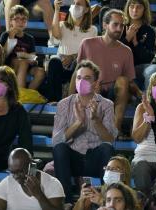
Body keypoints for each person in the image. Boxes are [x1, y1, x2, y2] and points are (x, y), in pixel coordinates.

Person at [53, 60, 117, 204]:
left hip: (95, 159)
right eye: (79, 77)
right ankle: (67, 203)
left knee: (107, 148)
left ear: (95, 83)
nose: (81, 81)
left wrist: (95, 120)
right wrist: (78, 123)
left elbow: (110, 139)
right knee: (60, 148)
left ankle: (106, 201)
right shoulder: (64, 104)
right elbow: (56, 140)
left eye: (87, 78)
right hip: (73, 159)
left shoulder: (107, 105)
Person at [69, 9, 140, 132]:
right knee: (88, 80)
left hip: (113, 94)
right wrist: (68, 99)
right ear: (105, 25)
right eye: (115, 24)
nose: (119, 28)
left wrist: (141, 94)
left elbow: (130, 82)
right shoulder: (87, 44)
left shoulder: (126, 51)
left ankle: (115, 129)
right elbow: (77, 73)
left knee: (123, 81)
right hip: (91, 91)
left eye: (122, 25)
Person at [45, 0, 97, 102]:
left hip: (78, 68)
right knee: (54, 62)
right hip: (62, 66)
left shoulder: (92, 29)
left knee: (81, 63)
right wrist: (56, 10)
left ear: (86, 9)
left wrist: (72, 57)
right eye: (73, 3)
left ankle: (73, 100)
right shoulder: (63, 25)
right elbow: (56, 36)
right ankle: (53, 101)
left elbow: (90, 53)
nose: (75, 6)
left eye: (79, 4)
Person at [0, 148, 64, 210]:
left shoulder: (52, 184)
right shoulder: (6, 183)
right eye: (12, 172)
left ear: (32, 166)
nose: (16, 176)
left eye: (20, 171)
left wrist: (39, 195)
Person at [0, 5, 45, 90]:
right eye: (16, 19)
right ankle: (20, 94)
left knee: (40, 72)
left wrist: (23, 55)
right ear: (10, 22)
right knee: (23, 63)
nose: (20, 22)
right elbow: (2, 56)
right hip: (9, 66)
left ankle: (28, 93)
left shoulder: (30, 38)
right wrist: (11, 37)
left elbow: (34, 58)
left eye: (24, 19)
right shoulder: (6, 35)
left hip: (26, 65)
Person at [120, 0, 156, 91]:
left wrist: (135, 42)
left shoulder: (149, 31)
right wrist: (127, 38)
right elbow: (114, 53)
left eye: (139, 7)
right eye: (132, 6)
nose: (135, 10)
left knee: (154, 70)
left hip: (140, 69)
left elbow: (147, 58)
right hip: (120, 68)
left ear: (144, 10)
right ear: (127, 8)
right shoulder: (120, 26)